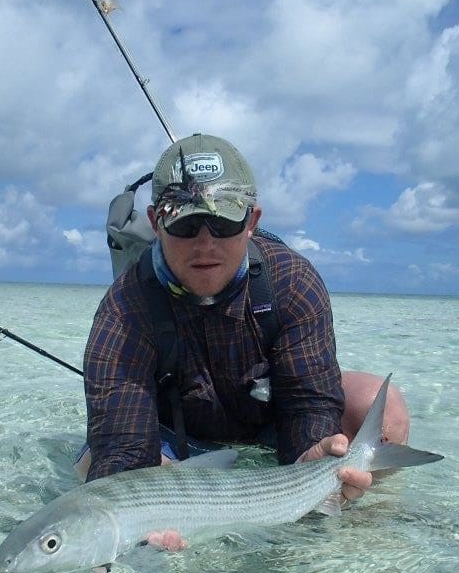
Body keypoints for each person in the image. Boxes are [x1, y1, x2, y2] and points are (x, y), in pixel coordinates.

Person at [77, 132, 409, 521]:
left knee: (382, 411)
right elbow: (124, 446)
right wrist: (142, 497)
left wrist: (312, 453)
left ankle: (363, 523)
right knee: (94, 475)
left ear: (252, 221)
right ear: (156, 222)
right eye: (186, 225)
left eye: (224, 222)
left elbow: (309, 403)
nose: (205, 244)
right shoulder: (123, 309)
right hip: (174, 438)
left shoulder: (292, 281)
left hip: (268, 419)